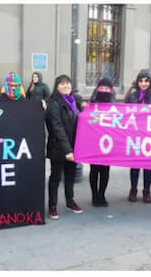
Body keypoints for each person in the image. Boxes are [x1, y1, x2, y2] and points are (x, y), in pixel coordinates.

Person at [44, 74, 84, 219]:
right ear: (57, 87)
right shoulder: (53, 104)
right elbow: (57, 129)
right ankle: (52, 206)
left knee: (70, 176)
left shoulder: (74, 102)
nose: (66, 86)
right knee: (55, 177)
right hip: (58, 148)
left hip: (73, 147)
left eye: (68, 83)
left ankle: (70, 201)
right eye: (62, 84)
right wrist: (67, 150)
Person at [125, 69, 151, 202]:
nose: (143, 83)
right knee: (134, 166)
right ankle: (133, 189)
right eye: (141, 81)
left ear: (150, 82)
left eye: (146, 81)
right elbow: (123, 113)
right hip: (135, 136)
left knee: (148, 166)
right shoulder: (132, 96)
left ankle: (147, 190)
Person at [87, 76, 117, 207]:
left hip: (108, 143)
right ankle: (94, 196)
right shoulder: (91, 104)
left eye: (107, 88)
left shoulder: (114, 106)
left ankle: (102, 195)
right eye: (102, 87)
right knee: (94, 171)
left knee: (105, 171)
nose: (104, 90)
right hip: (94, 143)